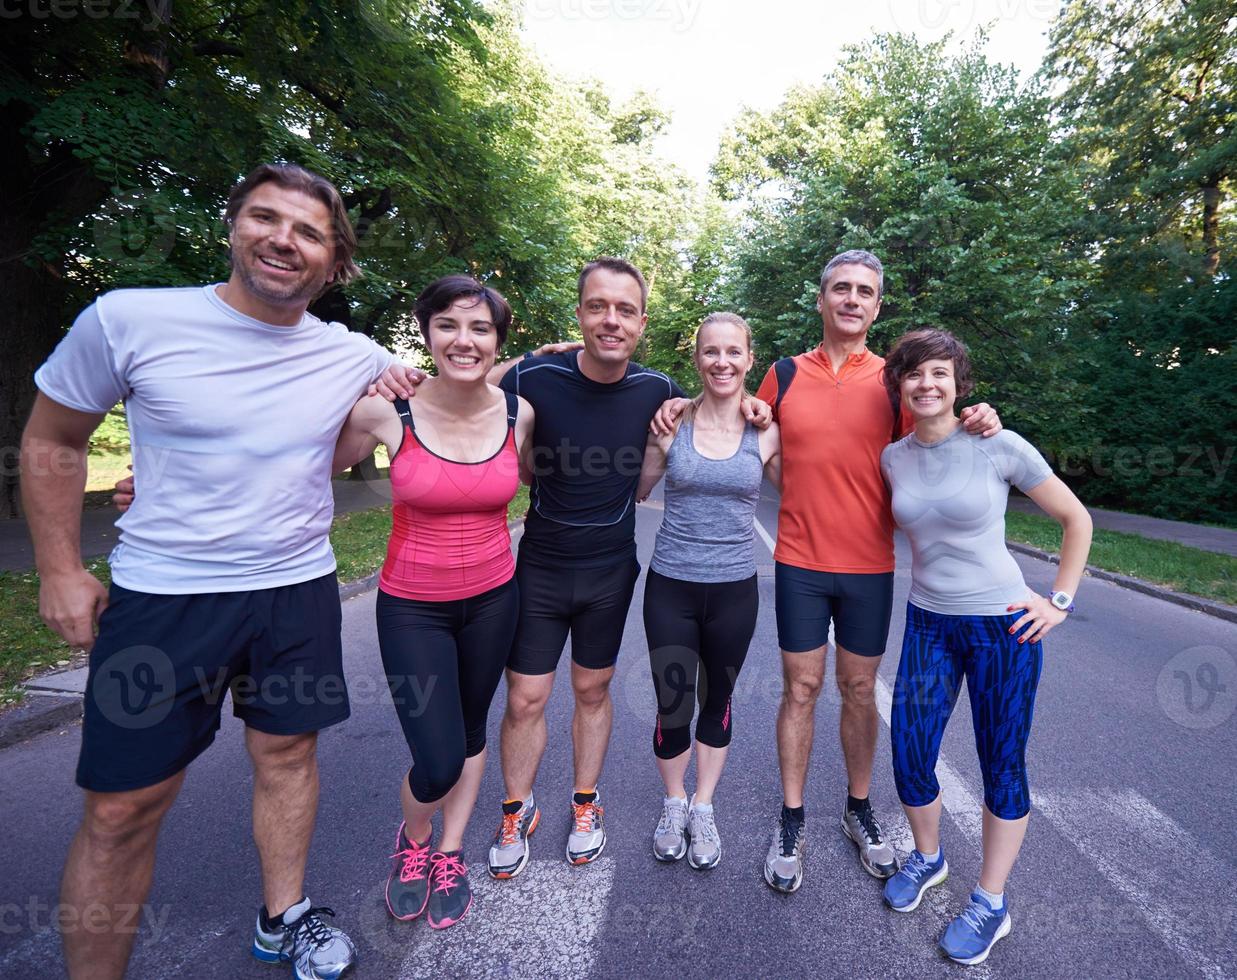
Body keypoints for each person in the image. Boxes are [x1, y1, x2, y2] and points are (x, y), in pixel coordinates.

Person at [22, 163, 390, 980]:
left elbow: (456, 380)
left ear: (335, 264)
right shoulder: (128, 319)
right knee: (120, 808)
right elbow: (53, 440)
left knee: (288, 756)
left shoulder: (354, 354)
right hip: (162, 599)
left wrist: (551, 358)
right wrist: (57, 568)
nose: (281, 240)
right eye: (265, 218)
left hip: (295, 592)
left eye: (308, 232)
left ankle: (281, 919)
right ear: (233, 226)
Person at [377, 257, 771, 878]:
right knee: (527, 697)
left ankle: (585, 802)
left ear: (642, 321)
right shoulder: (534, 378)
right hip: (538, 567)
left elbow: (714, 408)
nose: (610, 320)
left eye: (624, 310)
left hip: (610, 570)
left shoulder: (658, 393)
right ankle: (517, 806)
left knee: (592, 690)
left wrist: (759, 410)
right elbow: (462, 381)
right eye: (597, 307)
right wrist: (398, 376)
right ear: (580, 312)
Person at [744, 249, 998, 893]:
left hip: (868, 567)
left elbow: (940, 436)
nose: (852, 299)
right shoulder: (782, 374)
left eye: (864, 291)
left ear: (877, 305)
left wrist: (982, 418)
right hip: (799, 561)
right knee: (800, 690)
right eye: (840, 289)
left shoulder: (895, 381)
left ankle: (859, 809)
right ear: (822, 298)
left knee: (859, 692)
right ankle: (792, 816)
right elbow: (753, 438)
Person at [878, 328, 1091, 965]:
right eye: (914, 374)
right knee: (910, 752)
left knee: (1001, 760)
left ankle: (991, 903)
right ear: (900, 385)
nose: (926, 384)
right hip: (927, 624)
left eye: (939, 373)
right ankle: (928, 858)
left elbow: (1076, 520)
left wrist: (1057, 601)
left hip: (1004, 627)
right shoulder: (893, 457)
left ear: (958, 383)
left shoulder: (998, 444)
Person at [329, 275, 534, 929]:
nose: (463, 339)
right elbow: (300, 464)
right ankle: (412, 838)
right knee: (438, 755)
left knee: (472, 735)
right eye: (448, 324)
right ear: (426, 333)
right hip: (413, 605)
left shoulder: (516, 414)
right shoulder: (388, 409)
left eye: (479, 328)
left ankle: (448, 851)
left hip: (495, 599)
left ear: (497, 341)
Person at [635, 312, 781, 870]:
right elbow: (643, 487)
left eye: (733, 352)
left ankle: (704, 806)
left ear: (749, 359)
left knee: (716, 703)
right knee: (674, 705)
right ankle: (674, 803)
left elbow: (803, 491)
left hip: (734, 591)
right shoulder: (673, 421)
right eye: (710, 352)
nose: (721, 361)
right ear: (696, 359)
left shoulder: (765, 429)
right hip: (671, 584)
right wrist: (658, 443)